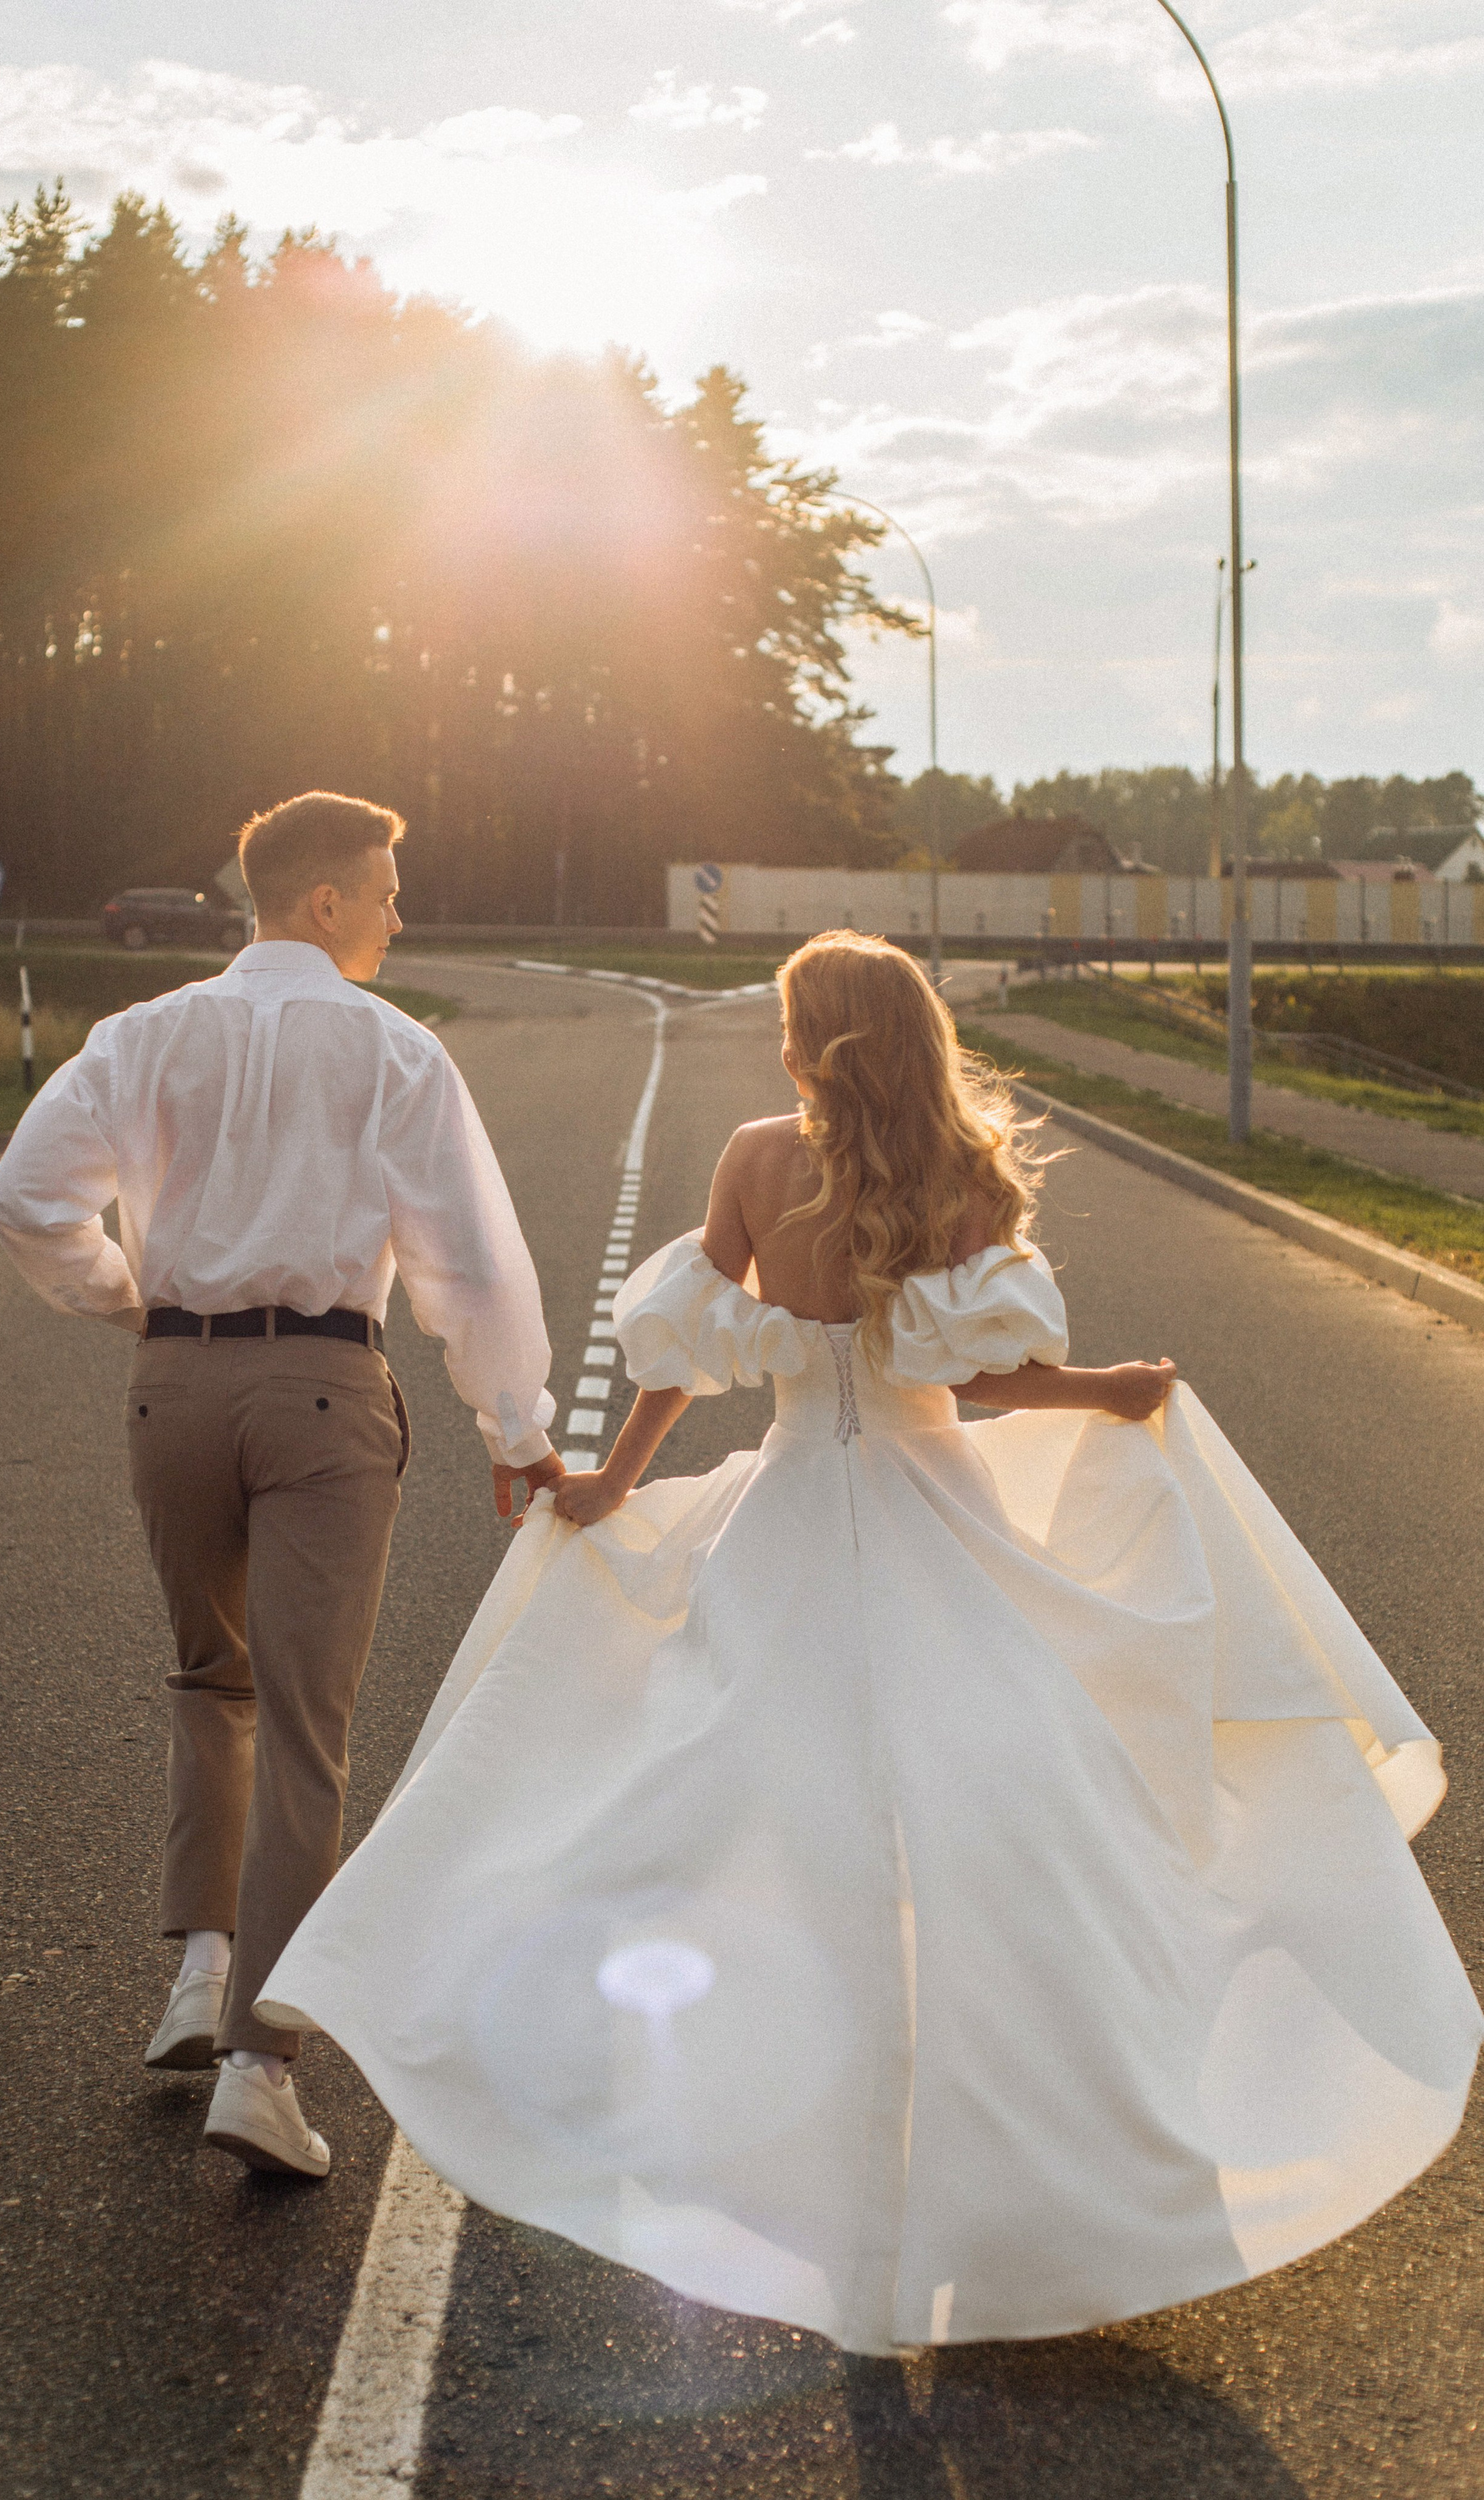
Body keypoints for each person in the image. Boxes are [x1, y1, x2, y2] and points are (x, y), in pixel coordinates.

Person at [258, 928, 1479, 2346]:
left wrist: (603, 1478)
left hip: (786, 1513)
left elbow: (689, 1345)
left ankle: (762, 2146)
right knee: (1007, 1823)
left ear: (810, 1039)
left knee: (746, 1814)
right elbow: (1000, 1379)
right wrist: (1114, 1389)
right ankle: (1029, 2176)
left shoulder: (754, 1160)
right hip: (933, 1515)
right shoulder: (955, 1170)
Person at [0, 791, 562, 2178]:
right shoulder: (392, 1050)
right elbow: (466, 1266)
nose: (397, 913)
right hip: (318, 1392)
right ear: (323, 904)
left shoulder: (142, 1036)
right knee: (305, 1724)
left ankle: (199, 1968)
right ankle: (259, 2062)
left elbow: (23, 1196)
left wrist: (133, 1304)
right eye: (384, 889)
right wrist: (516, 1426)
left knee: (210, 1676)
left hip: (170, 1389)